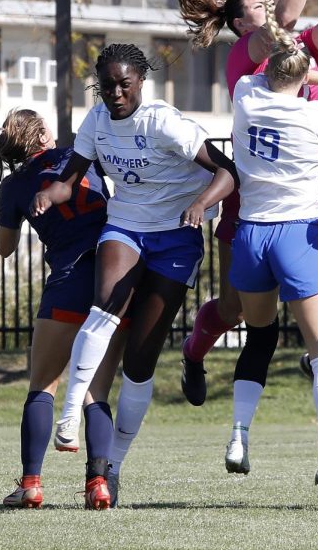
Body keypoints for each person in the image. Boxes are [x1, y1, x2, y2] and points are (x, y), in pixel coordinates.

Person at [171, 0, 318, 440]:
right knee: (235, 311)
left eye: (267, 3)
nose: (269, 10)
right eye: (258, 6)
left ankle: (316, 360)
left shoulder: (296, 55)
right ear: (241, 24)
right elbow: (283, 24)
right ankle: (193, 351)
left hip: (309, 202)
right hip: (251, 206)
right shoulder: (244, 58)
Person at [188, 0, 318, 504]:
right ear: (306, 78)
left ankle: (239, 435)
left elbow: (280, 61)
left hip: (250, 236)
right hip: (298, 235)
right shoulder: (315, 115)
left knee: (261, 338)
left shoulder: (247, 93)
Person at [33, 43, 236, 507]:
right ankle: (69, 418)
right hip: (125, 224)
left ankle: (114, 467)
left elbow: (227, 172)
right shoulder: (97, 121)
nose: (117, 93)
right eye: (108, 85)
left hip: (176, 236)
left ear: (141, 80)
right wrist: (53, 192)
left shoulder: (165, 121)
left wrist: (202, 204)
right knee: (103, 306)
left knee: (140, 362)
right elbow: (71, 177)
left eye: (125, 84)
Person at [0, 109, 122, 509]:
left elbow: (5, 248)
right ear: (44, 135)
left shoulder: (14, 184)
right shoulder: (78, 155)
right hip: (110, 275)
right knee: (96, 389)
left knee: (42, 386)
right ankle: (97, 484)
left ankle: (31, 483)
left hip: (68, 278)